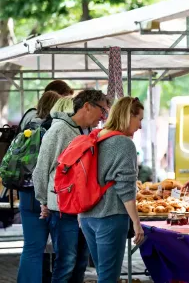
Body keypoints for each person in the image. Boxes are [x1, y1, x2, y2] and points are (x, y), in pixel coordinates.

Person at [33, 89, 110, 283]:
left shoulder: (88, 132)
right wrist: (43, 200)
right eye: (102, 110)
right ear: (87, 106)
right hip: (63, 209)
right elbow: (42, 169)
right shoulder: (58, 131)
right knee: (66, 262)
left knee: (80, 263)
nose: (103, 116)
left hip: (84, 209)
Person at [80, 97, 145, 282]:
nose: (140, 126)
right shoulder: (123, 144)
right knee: (109, 277)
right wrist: (136, 223)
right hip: (110, 216)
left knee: (103, 273)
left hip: (87, 216)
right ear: (128, 116)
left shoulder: (96, 136)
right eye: (139, 119)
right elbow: (125, 188)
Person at [17, 91, 61, 283]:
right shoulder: (56, 129)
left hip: (26, 192)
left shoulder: (28, 125)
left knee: (32, 249)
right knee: (63, 250)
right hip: (49, 194)